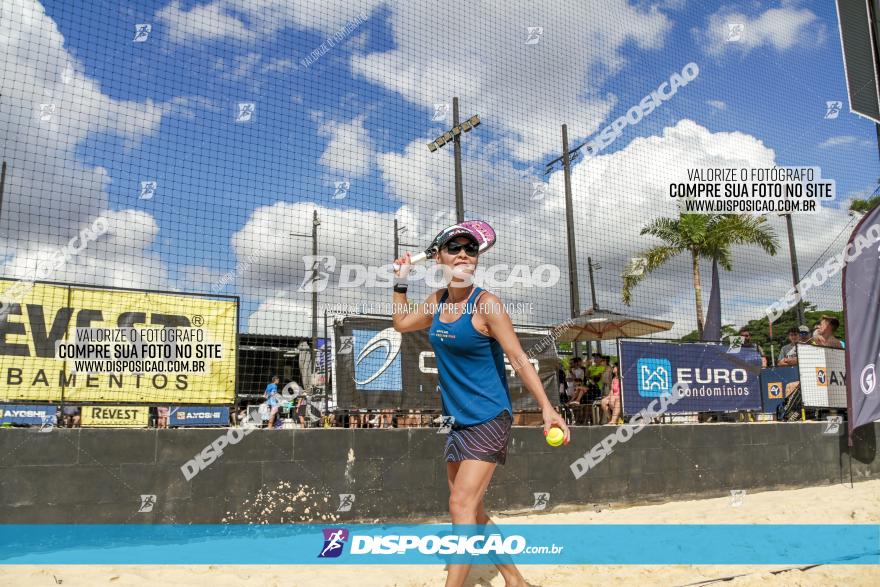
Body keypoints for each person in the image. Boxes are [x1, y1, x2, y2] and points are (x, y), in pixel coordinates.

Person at [392, 222, 568, 587]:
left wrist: (548, 409)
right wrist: (400, 281)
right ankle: (515, 580)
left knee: (460, 505)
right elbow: (401, 323)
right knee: (472, 508)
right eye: (454, 248)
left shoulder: (487, 304)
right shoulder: (437, 302)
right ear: (439, 257)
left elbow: (519, 358)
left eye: (470, 250)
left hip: (489, 416)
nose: (462, 255)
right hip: (457, 421)